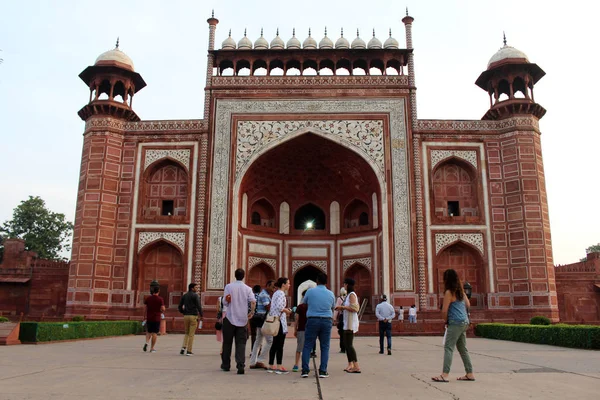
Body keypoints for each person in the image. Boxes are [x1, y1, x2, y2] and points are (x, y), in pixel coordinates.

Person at [431, 269, 475, 383]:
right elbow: (468, 304)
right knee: (462, 349)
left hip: (455, 323)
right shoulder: (461, 292)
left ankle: (445, 374)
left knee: (448, 348)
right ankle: (469, 373)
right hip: (464, 322)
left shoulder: (449, 292)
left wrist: (446, 321)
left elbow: (444, 310)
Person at [221, 268, 256, 375]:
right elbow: (253, 301)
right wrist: (251, 313)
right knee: (241, 343)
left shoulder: (229, 286)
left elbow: (225, 302)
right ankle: (240, 365)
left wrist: (228, 302)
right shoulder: (248, 289)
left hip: (230, 318)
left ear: (235, 275)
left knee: (227, 343)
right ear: (244, 276)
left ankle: (226, 365)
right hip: (243, 319)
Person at [301, 272, 335, 379]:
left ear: (317, 281)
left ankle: (305, 370)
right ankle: (323, 371)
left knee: (307, 345)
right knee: (325, 347)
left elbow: (304, 303)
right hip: (326, 320)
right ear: (326, 282)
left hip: (312, 320)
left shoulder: (310, 291)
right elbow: (332, 307)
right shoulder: (330, 293)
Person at [267, 277, 293, 374]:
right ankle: (279, 366)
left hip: (275, 320)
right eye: (288, 283)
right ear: (283, 284)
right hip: (279, 322)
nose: (289, 285)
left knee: (274, 344)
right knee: (279, 344)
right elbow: (279, 307)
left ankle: (270, 365)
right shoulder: (281, 293)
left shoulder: (275, 293)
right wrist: (287, 310)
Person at [336, 278, 361, 373]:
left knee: (349, 345)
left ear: (347, 285)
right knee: (346, 344)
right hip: (347, 322)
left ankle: (357, 366)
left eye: (344, 284)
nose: (344, 286)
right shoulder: (348, 295)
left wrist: (342, 307)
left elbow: (355, 308)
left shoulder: (352, 295)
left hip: (351, 323)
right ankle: (350, 364)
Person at [249, 280, 274, 369]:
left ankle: (252, 362)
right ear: (267, 285)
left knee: (258, 341)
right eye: (272, 287)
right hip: (262, 320)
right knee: (270, 340)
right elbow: (268, 307)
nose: (273, 289)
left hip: (259, 319)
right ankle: (260, 360)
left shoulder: (265, 294)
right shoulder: (264, 295)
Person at [178, 282, 204, 356]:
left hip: (186, 316)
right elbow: (199, 306)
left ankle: (183, 347)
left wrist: (183, 312)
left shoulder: (185, 296)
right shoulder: (195, 296)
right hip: (193, 316)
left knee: (186, 333)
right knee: (191, 334)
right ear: (192, 288)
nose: (197, 289)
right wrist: (201, 315)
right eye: (196, 288)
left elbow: (180, 306)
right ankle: (189, 351)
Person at [143, 286, 165, 353]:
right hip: (156, 318)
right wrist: (162, 311)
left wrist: (144, 316)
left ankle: (147, 342)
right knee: (154, 333)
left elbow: (145, 308)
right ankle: (152, 348)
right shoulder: (160, 299)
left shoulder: (148, 298)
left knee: (148, 332)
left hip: (149, 317)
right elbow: (163, 308)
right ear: (158, 291)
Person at [292, 289, 308, 372]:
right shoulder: (312, 306)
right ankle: (306, 365)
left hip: (301, 329)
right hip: (310, 329)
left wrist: (295, 329)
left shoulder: (300, 307)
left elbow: (296, 319)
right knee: (307, 348)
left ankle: (296, 364)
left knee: (299, 348)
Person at [333, 287, 347, 353]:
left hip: (342, 316)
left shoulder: (339, 299)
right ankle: (348, 347)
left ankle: (342, 348)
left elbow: (336, 309)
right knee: (347, 333)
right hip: (347, 317)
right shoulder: (348, 298)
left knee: (342, 333)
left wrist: (334, 318)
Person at [249, 284, 262, 350]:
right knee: (260, 334)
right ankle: (259, 349)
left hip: (252, 317)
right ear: (260, 290)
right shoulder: (261, 296)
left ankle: (253, 350)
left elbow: (249, 306)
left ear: (253, 290)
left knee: (253, 334)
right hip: (260, 317)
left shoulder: (251, 296)